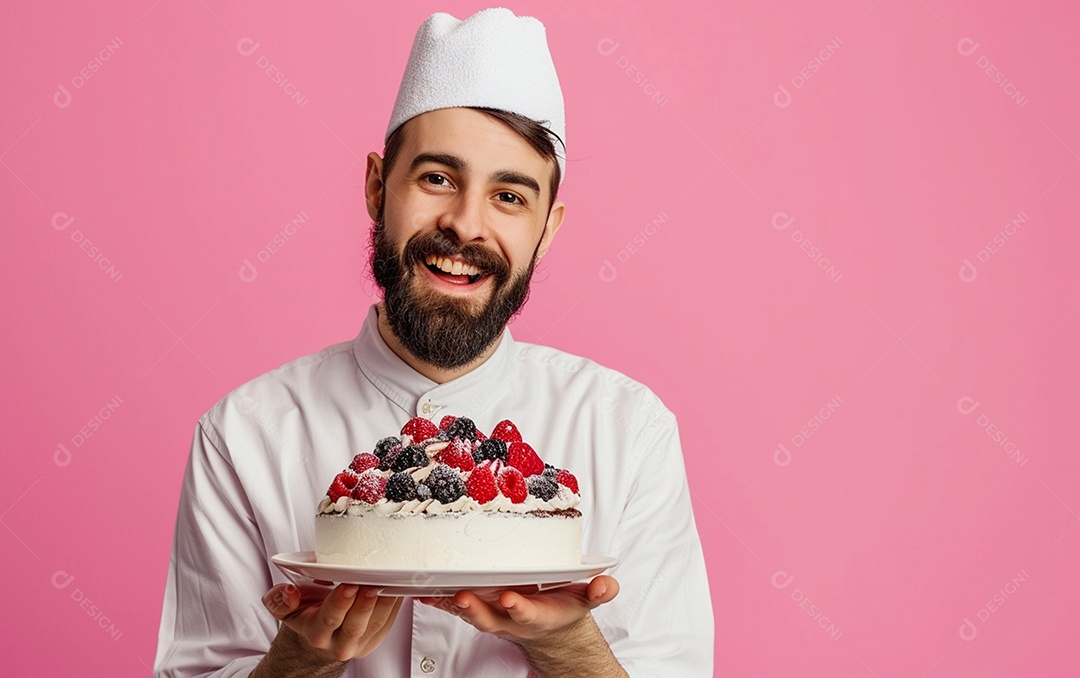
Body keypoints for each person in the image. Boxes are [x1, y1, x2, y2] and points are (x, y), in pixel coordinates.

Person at [155, 7, 713, 677]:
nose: (465, 225)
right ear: (376, 187)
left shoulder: (630, 430)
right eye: (437, 179)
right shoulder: (243, 434)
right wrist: (297, 663)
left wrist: (567, 646)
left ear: (547, 230)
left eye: (509, 196)